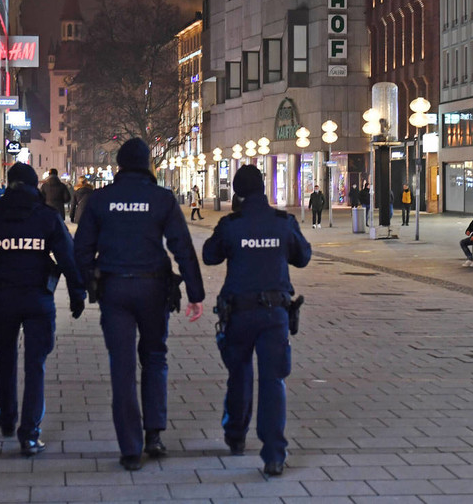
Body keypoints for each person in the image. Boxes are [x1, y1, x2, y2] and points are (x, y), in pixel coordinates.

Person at [73, 138, 204, 471]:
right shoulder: (161, 199)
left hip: (115, 288)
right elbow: (182, 246)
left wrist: (89, 281)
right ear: (147, 164)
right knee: (155, 357)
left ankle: (130, 449)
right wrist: (195, 292)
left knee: (122, 366)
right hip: (153, 287)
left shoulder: (101, 200)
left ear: (119, 165)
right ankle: (154, 435)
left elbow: (81, 248)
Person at [0, 162, 86, 457]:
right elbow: (68, 257)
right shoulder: (48, 217)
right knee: (35, 365)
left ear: (9, 184)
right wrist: (78, 293)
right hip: (39, 299)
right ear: (32, 185)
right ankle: (29, 434)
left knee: (5, 358)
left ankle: (8, 416)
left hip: (3, 299)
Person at [202, 165, 311, 477]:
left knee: (239, 376)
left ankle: (235, 436)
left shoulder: (231, 224)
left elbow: (210, 255)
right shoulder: (282, 222)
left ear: (236, 192)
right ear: (264, 188)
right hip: (274, 314)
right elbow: (302, 257)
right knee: (272, 381)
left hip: (238, 313)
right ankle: (274, 455)